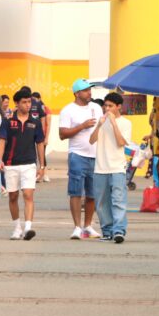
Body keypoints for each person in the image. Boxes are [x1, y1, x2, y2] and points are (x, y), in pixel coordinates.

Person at [0, 89, 45, 240]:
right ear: (17, 104)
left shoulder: (35, 122)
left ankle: (28, 228)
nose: (27, 105)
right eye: (24, 102)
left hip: (29, 164)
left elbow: (40, 143)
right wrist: (0, 160)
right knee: (13, 196)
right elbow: (2, 141)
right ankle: (17, 227)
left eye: (29, 102)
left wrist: (42, 165)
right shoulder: (7, 121)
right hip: (11, 164)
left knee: (28, 194)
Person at [58, 78, 103, 240]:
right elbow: (62, 134)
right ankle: (77, 227)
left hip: (96, 155)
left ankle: (88, 226)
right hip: (77, 155)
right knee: (76, 192)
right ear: (77, 93)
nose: (89, 92)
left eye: (90, 89)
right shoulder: (68, 110)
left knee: (92, 194)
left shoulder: (96, 108)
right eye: (85, 90)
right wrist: (82, 126)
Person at [89, 92, 131, 243]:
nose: (107, 109)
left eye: (110, 106)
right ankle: (107, 231)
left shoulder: (126, 123)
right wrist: (100, 124)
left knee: (118, 200)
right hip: (100, 168)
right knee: (101, 202)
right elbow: (91, 140)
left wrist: (113, 123)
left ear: (118, 107)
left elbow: (121, 142)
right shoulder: (100, 121)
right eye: (105, 105)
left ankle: (119, 230)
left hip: (117, 167)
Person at [32, 91, 52, 182]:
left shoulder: (46, 109)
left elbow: (48, 125)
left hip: (42, 135)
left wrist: (46, 138)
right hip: (32, 134)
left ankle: (45, 173)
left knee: (42, 155)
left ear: (39, 99)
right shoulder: (31, 108)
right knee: (35, 155)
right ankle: (37, 175)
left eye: (35, 99)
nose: (33, 101)